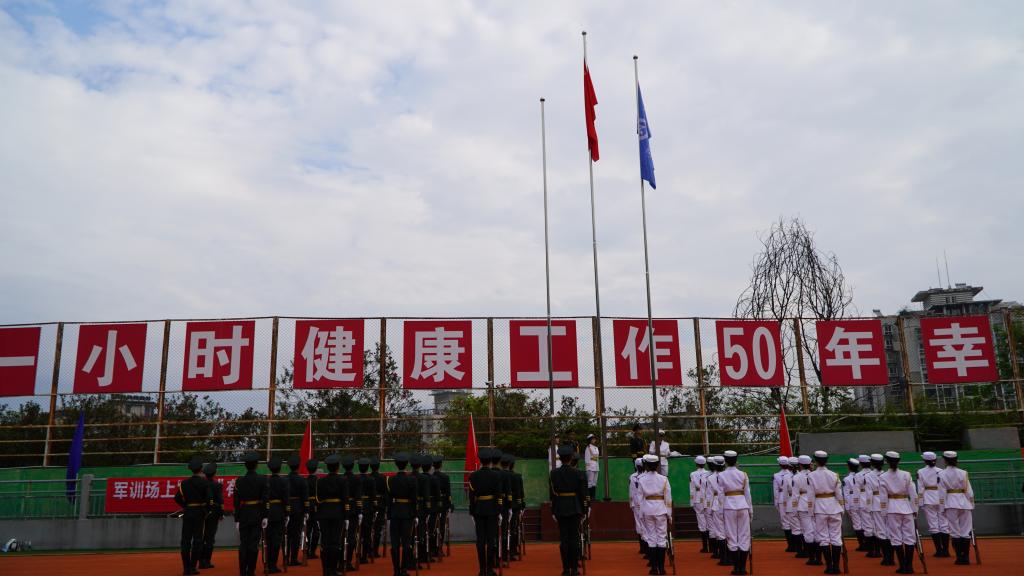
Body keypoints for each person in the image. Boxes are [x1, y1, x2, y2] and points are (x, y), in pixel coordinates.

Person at [879, 451, 918, 574]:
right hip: (906, 507)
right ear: (898, 461)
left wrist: (883, 512)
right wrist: (915, 509)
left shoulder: (883, 477)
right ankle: (909, 566)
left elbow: (883, 498)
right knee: (910, 538)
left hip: (892, 509)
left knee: (896, 538)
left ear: (887, 461)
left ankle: (902, 566)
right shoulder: (906, 474)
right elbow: (913, 494)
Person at [550, 445, 586, 576]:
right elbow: (582, 493)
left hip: (560, 507)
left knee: (564, 539)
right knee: (574, 539)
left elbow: (553, 494)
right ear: (571, 458)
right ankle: (574, 569)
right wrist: (584, 510)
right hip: (575, 507)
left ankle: (566, 569)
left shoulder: (554, 473)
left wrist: (553, 510)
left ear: (560, 458)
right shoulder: (578, 473)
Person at [809, 451, 845, 575]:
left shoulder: (811, 476)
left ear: (815, 461)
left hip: (819, 508)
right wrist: (842, 508)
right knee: (836, 538)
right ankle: (836, 567)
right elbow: (839, 494)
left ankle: (829, 566)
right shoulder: (834, 475)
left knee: (823, 538)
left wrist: (811, 511)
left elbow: (810, 496)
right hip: (834, 507)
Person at [174, 456, 211, 576]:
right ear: (201, 469)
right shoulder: (205, 482)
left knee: (185, 540)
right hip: (199, 512)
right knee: (197, 540)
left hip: (188, 512)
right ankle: (193, 567)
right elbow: (209, 499)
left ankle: (186, 568)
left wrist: (186, 506)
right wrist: (206, 511)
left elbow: (177, 498)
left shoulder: (184, 483)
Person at [234, 452, 269, 576]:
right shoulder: (262, 479)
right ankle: (251, 571)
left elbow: (236, 502)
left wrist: (237, 519)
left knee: (243, 544)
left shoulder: (239, 481)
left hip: (243, 514)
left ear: (245, 465)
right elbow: (265, 499)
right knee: (253, 544)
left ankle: (242, 571)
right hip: (257, 514)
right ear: (256, 465)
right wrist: (265, 515)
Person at [938, 450, 975, 565]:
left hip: (950, 503)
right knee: (965, 531)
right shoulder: (963, 473)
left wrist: (941, 508)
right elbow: (969, 491)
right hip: (964, 502)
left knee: (954, 531)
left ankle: (959, 557)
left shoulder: (941, 474)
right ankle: (966, 557)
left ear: (945, 460)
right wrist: (971, 504)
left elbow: (941, 493)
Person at [637, 454, 671, 575]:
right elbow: (668, 498)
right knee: (661, 538)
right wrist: (669, 514)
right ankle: (662, 568)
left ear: (646, 465)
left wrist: (640, 514)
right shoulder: (664, 479)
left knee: (651, 538)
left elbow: (639, 499)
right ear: (657, 466)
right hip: (661, 509)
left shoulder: (641, 479)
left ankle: (654, 568)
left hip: (647, 510)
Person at [719, 450, 752, 576]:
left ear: (725, 461)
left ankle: (736, 567)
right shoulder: (743, 474)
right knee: (744, 536)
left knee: (731, 536)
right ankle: (742, 568)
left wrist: (720, 512)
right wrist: (750, 510)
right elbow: (748, 494)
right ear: (736, 460)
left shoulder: (721, 475)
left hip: (728, 507)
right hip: (743, 505)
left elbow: (720, 495)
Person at [385, 452, 418, 576]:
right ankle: (403, 570)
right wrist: (415, 514)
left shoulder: (390, 480)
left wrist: (389, 514)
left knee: (394, 543)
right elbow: (414, 499)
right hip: (407, 513)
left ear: (396, 464)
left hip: (395, 513)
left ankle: (396, 571)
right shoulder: (412, 479)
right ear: (407, 464)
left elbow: (388, 500)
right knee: (406, 542)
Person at [469, 448, 500, 576]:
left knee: (480, 540)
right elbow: (498, 495)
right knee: (491, 540)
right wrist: (498, 509)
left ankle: (482, 569)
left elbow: (471, 497)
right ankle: (490, 569)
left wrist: (472, 510)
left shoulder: (473, 476)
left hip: (479, 509)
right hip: (492, 509)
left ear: (480, 461)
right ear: (490, 461)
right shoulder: (496, 475)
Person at [317, 454, 347, 576]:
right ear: (338, 467)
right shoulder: (342, 480)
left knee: (325, 542)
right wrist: (346, 515)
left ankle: (326, 570)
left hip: (324, 513)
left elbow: (319, 499)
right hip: (338, 513)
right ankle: (333, 570)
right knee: (335, 542)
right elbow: (345, 499)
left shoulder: (321, 481)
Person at [916, 451, 950, 558]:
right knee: (944, 524)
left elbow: (920, 488)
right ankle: (946, 550)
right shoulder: (941, 471)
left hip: (928, 498)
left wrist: (920, 502)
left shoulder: (920, 471)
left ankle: (939, 550)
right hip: (940, 498)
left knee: (933, 525)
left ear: (925, 460)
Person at [264, 457, 290, 574]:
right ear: (280, 468)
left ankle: (267, 564)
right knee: (276, 540)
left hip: (268, 512)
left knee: (268, 540)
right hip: (279, 512)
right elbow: (286, 499)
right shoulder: (283, 481)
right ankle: (272, 565)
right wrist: (287, 513)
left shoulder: (266, 481)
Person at [866, 453, 891, 564]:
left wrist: (868, 507)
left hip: (876, 505)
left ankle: (886, 558)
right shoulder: (886, 474)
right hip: (888, 504)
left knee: (881, 531)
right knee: (890, 530)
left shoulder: (868, 476)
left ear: (872, 463)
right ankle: (891, 557)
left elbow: (868, 493)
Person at [795, 454, 820, 566]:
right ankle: (818, 558)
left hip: (803, 505)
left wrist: (795, 509)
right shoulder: (815, 475)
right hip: (815, 504)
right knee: (817, 530)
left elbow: (795, 495)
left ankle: (811, 558)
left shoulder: (796, 477)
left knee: (807, 532)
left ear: (800, 465)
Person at [199, 462, 223, 570]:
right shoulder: (217, 485)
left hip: (200, 512)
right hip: (213, 513)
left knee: (200, 537)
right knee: (209, 537)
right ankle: (207, 561)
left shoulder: (201, 484)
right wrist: (221, 513)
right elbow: (220, 500)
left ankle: (200, 561)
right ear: (214, 473)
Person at [341, 456, 363, 572]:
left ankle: (340, 561)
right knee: (351, 537)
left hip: (341, 510)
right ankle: (348, 561)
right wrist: (359, 511)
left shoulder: (341, 478)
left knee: (341, 537)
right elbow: (358, 496)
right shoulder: (356, 479)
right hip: (353, 510)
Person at [286, 456, 308, 567]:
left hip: (287, 508)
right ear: (298, 466)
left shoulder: (285, 479)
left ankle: (286, 557)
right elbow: (305, 497)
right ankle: (293, 559)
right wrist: (306, 510)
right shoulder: (301, 480)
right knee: (296, 534)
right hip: (298, 508)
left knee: (287, 535)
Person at [410, 455, 431, 569]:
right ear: (419, 466)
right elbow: (427, 496)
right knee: (419, 534)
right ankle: (419, 557)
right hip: (421, 509)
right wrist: (428, 510)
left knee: (410, 535)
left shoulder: (409, 477)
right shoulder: (424, 478)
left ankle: (410, 558)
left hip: (410, 509)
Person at [432, 455, 453, 559]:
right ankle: (439, 548)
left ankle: (433, 548)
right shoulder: (445, 477)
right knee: (441, 526)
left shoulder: (431, 477)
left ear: (433, 465)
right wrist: (450, 504)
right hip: (443, 504)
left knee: (432, 526)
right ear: (441, 465)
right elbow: (448, 493)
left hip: (433, 504)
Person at [784, 456, 804, 558]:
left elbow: (785, 494)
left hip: (791, 502)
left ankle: (799, 550)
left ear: (789, 466)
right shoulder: (803, 475)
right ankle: (806, 550)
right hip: (803, 503)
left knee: (796, 529)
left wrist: (785, 505)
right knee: (805, 528)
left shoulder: (786, 477)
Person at [710, 455, 729, 565]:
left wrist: (709, 509)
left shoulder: (710, 478)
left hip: (717, 505)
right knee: (730, 532)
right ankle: (731, 558)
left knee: (720, 533)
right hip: (728, 504)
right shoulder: (728, 475)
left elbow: (709, 495)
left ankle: (723, 558)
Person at [358, 458, 377, 564]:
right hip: (368, 507)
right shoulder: (371, 479)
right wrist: (375, 508)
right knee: (366, 533)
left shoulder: (356, 479)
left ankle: (357, 553)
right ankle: (364, 556)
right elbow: (373, 496)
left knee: (356, 533)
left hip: (357, 506)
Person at [771, 456, 792, 553]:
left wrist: (776, 503)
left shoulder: (776, 475)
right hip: (792, 497)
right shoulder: (792, 474)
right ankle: (797, 545)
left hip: (782, 498)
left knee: (785, 522)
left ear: (780, 464)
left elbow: (775, 491)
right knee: (794, 521)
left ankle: (790, 545)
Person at [690, 456, 711, 553]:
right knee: (710, 521)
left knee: (702, 522)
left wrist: (692, 502)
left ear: (696, 464)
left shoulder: (693, 474)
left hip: (698, 498)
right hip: (708, 497)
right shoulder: (709, 473)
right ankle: (712, 547)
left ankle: (705, 547)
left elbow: (692, 488)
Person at [842, 458, 863, 553]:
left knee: (857, 524)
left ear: (849, 467)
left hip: (852, 501)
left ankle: (862, 544)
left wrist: (846, 506)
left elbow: (846, 494)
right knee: (865, 523)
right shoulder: (862, 476)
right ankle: (867, 543)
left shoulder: (847, 479)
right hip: (862, 500)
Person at [854, 455, 872, 552]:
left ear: (861, 464)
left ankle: (870, 548)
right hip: (874, 500)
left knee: (867, 525)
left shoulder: (858, 475)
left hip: (863, 500)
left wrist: (856, 505)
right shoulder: (874, 473)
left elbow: (856, 491)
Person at [629, 458, 647, 558]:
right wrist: (632, 503)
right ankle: (642, 546)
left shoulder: (645, 475)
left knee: (644, 523)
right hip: (637, 503)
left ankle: (646, 546)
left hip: (644, 502)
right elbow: (631, 490)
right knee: (639, 524)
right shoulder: (632, 476)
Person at [509, 455, 524, 561]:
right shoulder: (517, 476)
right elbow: (520, 492)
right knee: (514, 528)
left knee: (505, 529)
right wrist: (521, 504)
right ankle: (513, 550)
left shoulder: (499, 475)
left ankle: (504, 551)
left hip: (503, 506)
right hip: (515, 506)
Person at [305, 459, 321, 560]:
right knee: (316, 530)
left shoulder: (305, 480)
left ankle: (306, 551)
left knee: (307, 530)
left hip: (307, 506)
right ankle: (312, 551)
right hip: (315, 506)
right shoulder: (317, 481)